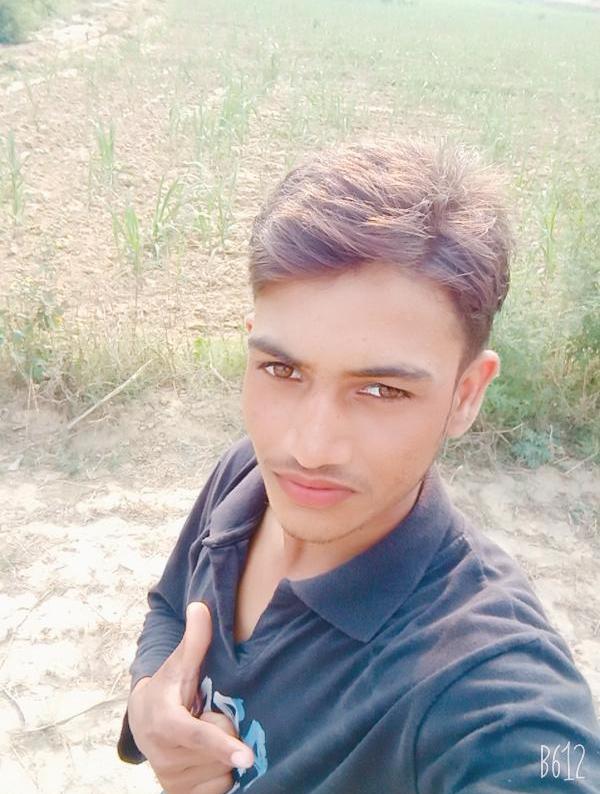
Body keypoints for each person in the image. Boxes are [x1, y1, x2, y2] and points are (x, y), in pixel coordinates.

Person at [117, 139, 600, 793]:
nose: (309, 448)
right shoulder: (247, 478)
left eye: (381, 389)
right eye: (282, 369)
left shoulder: (485, 688)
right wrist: (151, 700)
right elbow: (172, 607)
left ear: (466, 395)